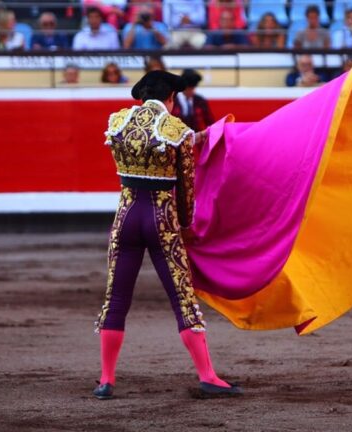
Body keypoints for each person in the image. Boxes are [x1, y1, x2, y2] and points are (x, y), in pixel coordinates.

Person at [95, 70, 242, 400]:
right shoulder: (176, 129)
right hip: (161, 218)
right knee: (182, 299)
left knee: (115, 299)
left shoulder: (117, 122)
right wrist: (187, 227)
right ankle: (207, 376)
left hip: (126, 215)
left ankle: (106, 379)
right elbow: (186, 188)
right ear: (171, 99)